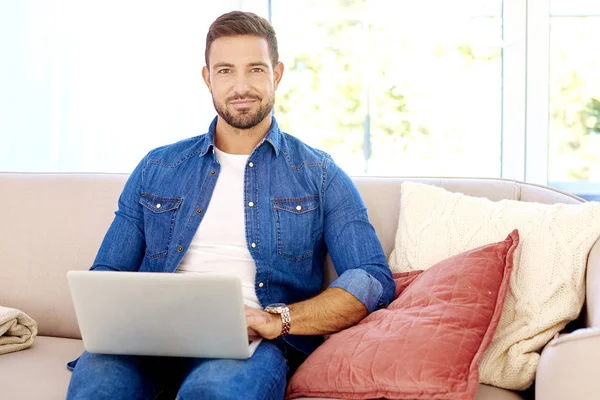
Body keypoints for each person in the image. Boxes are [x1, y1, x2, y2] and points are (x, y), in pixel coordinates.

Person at [66, 10, 395, 400]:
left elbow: (372, 277)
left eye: (255, 69)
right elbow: (107, 272)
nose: (241, 86)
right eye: (225, 71)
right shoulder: (158, 166)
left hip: (247, 346)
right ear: (207, 78)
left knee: (213, 393)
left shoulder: (320, 174)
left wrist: (279, 319)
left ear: (277, 74)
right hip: (145, 343)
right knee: (97, 389)